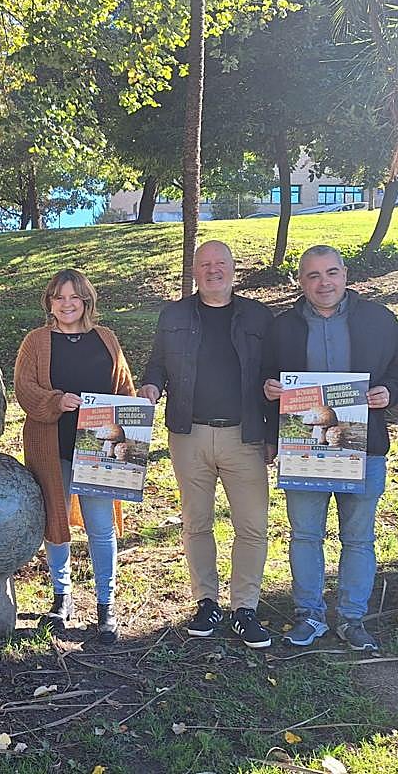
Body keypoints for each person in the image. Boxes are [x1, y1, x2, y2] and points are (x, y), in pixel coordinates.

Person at [263, 245, 398, 651]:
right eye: (313, 275)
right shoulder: (283, 328)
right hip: (304, 450)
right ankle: (309, 614)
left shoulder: (378, 319)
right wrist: (268, 388)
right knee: (305, 536)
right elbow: (263, 375)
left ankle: (352, 618)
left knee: (359, 538)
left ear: (345, 275)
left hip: (363, 449)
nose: (323, 283)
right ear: (301, 281)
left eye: (331, 273)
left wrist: (391, 390)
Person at [138, 240, 276, 649]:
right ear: (194, 272)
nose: (213, 270)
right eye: (205, 264)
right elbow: (157, 364)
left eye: (221, 263)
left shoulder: (258, 316)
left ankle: (245, 608)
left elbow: (274, 376)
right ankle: (207, 602)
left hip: (244, 436)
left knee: (252, 526)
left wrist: (271, 435)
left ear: (234, 269)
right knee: (196, 522)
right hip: (188, 434)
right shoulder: (175, 314)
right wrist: (150, 386)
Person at [14, 269, 136, 645]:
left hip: (99, 451)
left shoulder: (106, 339)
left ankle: (106, 605)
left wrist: (135, 410)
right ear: (49, 302)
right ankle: (61, 598)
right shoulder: (36, 341)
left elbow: (124, 388)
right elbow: (24, 389)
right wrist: (55, 401)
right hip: (53, 447)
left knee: (101, 528)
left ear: (87, 300)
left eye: (74, 297)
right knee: (57, 522)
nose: (67, 304)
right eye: (59, 297)